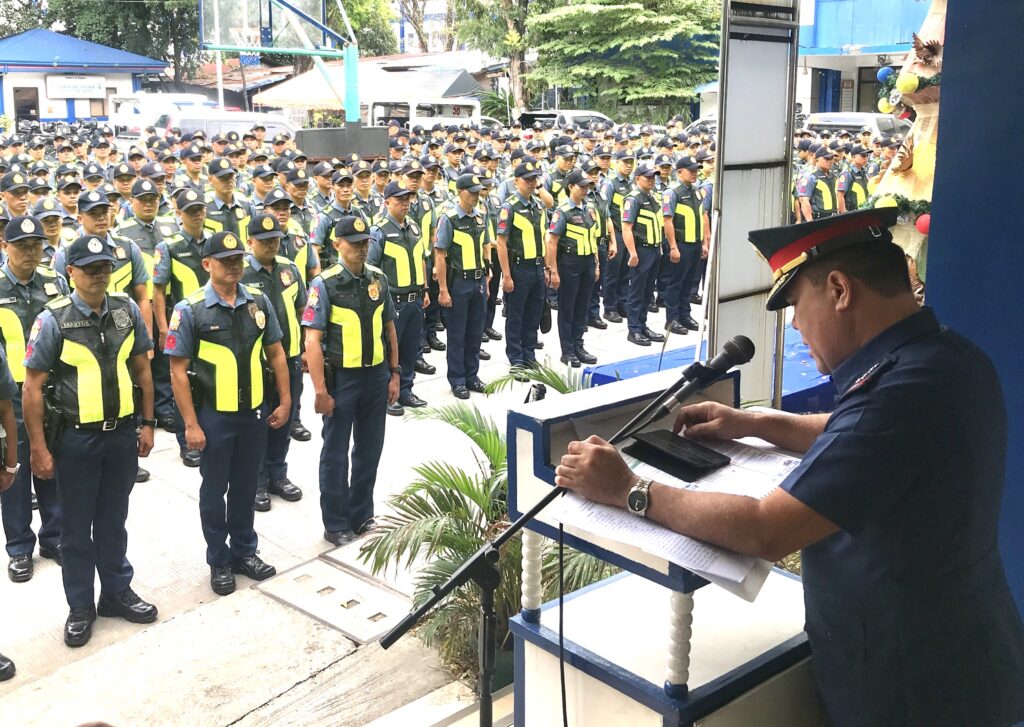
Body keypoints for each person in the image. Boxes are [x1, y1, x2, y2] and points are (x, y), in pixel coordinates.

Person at [555, 208, 1024, 727]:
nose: (795, 323)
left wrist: (628, 489)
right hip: (959, 656)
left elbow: (766, 529)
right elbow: (862, 442)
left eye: (798, 303)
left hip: (911, 689)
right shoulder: (943, 356)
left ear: (840, 290)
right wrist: (756, 423)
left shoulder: (895, 396)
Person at [23, 234, 158, 648]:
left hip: (120, 435)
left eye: (104, 268)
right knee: (77, 530)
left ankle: (116, 592)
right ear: (70, 272)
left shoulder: (126, 310)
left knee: (114, 523)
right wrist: (40, 449)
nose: (99, 276)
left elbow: (142, 368)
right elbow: (32, 387)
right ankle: (81, 606)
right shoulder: (54, 318)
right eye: (89, 269)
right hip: (76, 440)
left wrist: (149, 422)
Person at [165, 231, 291, 596]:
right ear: (207, 265)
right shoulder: (190, 310)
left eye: (238, 259)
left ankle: (244, 552)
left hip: (253, 412)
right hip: (214, 417)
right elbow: (177, 371)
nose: (234, 266)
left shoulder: (259, 302)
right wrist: (190, 424)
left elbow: (277, 354)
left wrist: (284, 402)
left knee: (246, 485)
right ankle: (219, 561)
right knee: (215, 489)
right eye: (225, 260)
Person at [302, 217, 400, 546]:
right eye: (353, 242)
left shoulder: (378, 278)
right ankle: (335, 522)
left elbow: (389, 328)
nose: (360, 247)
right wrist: (319, 390)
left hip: (375, 376)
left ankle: (361, 514)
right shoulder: (324, 284)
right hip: (341, 379)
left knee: (369, 449)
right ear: (336, 245)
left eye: (364, 242)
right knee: (335, 452)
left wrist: (395, 373)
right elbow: (312, 341)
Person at [0, 216, 68, 583]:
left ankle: (53, 537)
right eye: (22, 246)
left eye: (36, 245)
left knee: (51, 467)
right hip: (10, 400)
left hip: (51, 397)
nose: (30, 252)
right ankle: (19, 548)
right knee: (14, 473)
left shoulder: (55, 283)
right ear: (5, 246)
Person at [242, 214, 306, 511]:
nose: (271, 245)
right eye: (264, 240)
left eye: (275, 239)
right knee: (258, 424)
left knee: (285, 416)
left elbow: (302, 309)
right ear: (249, 241)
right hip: (255, 363)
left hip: (289, 356)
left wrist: (305, 349)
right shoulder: (239, 273)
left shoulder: (290, 269)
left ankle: (278, 474)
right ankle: (256, 481)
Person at [153, 188, 210, 467]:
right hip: (183, 323)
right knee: (181, 380)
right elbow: (159, 291)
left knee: (207, 378)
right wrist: (163, 329)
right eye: (190, 211)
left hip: (213, 320)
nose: (197, 214)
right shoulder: (169, 247)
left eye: (200, 209)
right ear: (179, 214)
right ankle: (185, 441)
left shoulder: (215, 242)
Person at [367, 182, 429, 415]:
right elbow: (371, 267)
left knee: (411, 348)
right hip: (393, 300)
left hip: (414, 298)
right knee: (390, 350)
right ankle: (388, 395)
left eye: (408, 199)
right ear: (387, 202)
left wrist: (425, 289)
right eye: (399, 199)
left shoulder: (413, 227)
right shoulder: (379, 230)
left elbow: (421, 258)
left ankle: (406, 390)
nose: (405, 203)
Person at [434, 174, 490, 399]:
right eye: (472, 192)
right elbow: (440, 254)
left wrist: (487, 270)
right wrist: (444, 289)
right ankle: (457, 379)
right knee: (457, 334)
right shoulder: (449, 219)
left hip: (477, 281)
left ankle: (472, 375)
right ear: (460, 192)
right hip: (459, 282)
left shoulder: (479, 217)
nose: (476, 196)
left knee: (475, 331)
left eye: (478, 192)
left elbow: (484, 245)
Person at [494, 161, 547, 370]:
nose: (532, 183)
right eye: (527, 179)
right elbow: (501, 242)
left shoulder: (538, 205)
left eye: (534, 179)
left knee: (533, 313)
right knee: (516, 315)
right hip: (519, 268)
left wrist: (548, 267)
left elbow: (543, 237)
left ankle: (529, 352)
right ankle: (516, 356)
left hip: (537, 267)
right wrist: (506, 275)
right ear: (516, 182)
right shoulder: (509, 207)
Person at [545, 169, 600, 367]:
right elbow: (552, 242)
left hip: (586, 262)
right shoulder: (563, 212)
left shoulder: (590, 209)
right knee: (567, 308)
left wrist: (596, 264)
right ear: (570, 187)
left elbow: (593, 237)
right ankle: (567, 350)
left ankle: (579, 344)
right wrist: (553, 270)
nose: (586, 190)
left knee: (582, 307)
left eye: (587, 186)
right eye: (581, 186)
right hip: (569, 263)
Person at [620, 162, 665, 346]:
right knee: (637, 291)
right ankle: (634, 329)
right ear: (638, 178)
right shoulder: (633, 199)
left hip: (654, 249)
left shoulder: (653, 197)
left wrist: (659, 246)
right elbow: (626, 228)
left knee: (648, 292)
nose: (652, 180)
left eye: (653, 177)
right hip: (641, 250)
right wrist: (632, 253)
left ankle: (643, 324)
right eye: (648, 177)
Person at [660, 156, 705, 334]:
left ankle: (684, 315)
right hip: (680, 244)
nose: (694, 173)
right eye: (690, 170)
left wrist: (703, 242)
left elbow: (702, 217)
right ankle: (672, 319)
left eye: (696, 170)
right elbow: (667, 221)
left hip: (694, 243)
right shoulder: (672, 193)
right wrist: (673, 247)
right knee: (675, 282)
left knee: (688, 282)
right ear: (679, 172)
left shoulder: (696, 191)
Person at [797, 148, 838, 221]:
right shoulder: (810, 177)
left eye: (831, 158)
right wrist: (810, 221)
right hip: (818, 218)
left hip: (833, 217)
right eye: (826, 158)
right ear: (817, 160)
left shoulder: (833, 176)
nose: (830, 161)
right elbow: (804, 200)